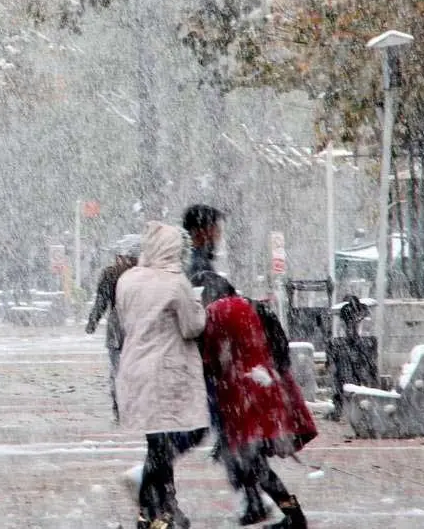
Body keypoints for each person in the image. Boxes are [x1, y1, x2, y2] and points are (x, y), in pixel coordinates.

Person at [201, 275, 315, 528]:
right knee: (254, 462)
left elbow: (208, 361)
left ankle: (294, 517)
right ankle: (282, 512)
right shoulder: (256, 307)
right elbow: (281, 350)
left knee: (254, 463)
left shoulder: (217, 312)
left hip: (243, 398)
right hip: (267, 389)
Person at [115, 221, 209, 529]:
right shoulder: (175, 282)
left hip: (134, 367)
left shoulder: (128, 279)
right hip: (167, 371)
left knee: (155, 441)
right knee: (177, 438)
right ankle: (149, 508)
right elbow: (192, 326)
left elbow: (125, 320)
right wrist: (198, 304)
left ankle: (163, 510)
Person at [85, 233, 142, 423]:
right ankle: (132, 406)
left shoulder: (111, 274)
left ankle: (121, 407)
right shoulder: (144, 275)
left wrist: (93, 320)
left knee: (118, 371)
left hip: (120, 328)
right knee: (134, 370)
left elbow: (101, 302)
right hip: (138, 328)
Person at [182, 204, 223, 283]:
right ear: (199, 231)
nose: (218, 234)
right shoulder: (198, 263)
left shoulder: (188, 256)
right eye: (216, 228)